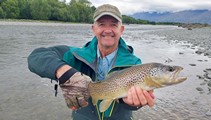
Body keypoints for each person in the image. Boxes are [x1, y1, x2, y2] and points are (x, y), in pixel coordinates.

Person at [27, 4, 155, 120]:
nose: (108, 30)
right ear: (94, 29)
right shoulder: (75, 56)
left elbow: (133, 103)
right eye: (102, 24)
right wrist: (64, 73)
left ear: (121, 30)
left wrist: (131, 104)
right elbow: (36, 56)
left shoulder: (134, 64)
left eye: (113, 25)